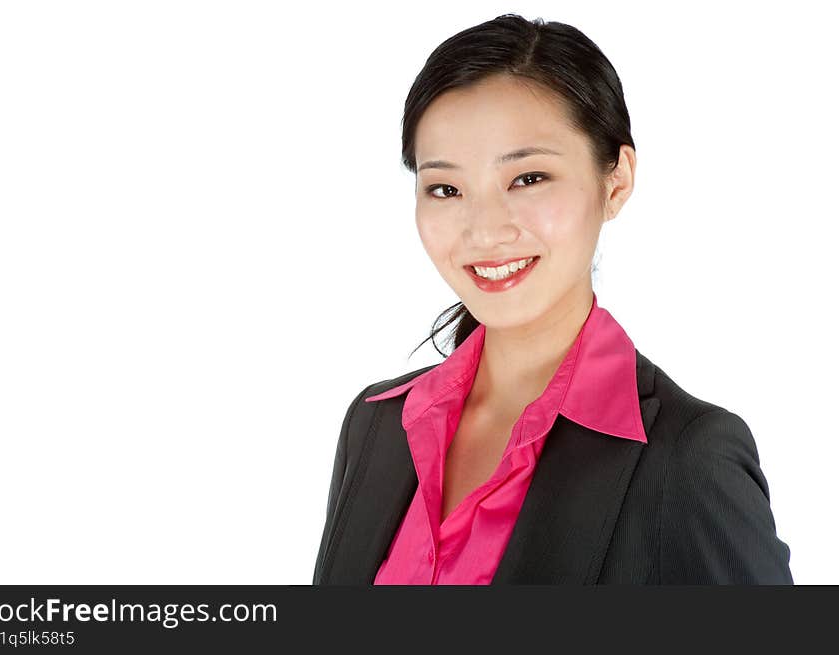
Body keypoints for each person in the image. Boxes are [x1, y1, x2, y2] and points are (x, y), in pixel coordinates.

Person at [312, 14, 793, 585]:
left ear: (615, 181)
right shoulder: (377, 426)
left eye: (529, 178)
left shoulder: (689, 462)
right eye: (445, 189)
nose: (484, 230)